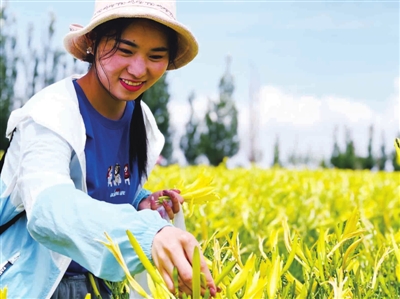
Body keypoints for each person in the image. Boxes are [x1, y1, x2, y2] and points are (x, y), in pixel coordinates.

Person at [0, 0, 217, 298]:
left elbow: (102, 187)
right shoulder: (50, 114)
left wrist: (141, 201)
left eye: (156, 55)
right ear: (92, 42)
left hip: (107, 285)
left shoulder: (142, 121)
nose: (138, 69)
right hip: (38, 286)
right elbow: (49, 206)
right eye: (125, 50)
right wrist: (148, 234)